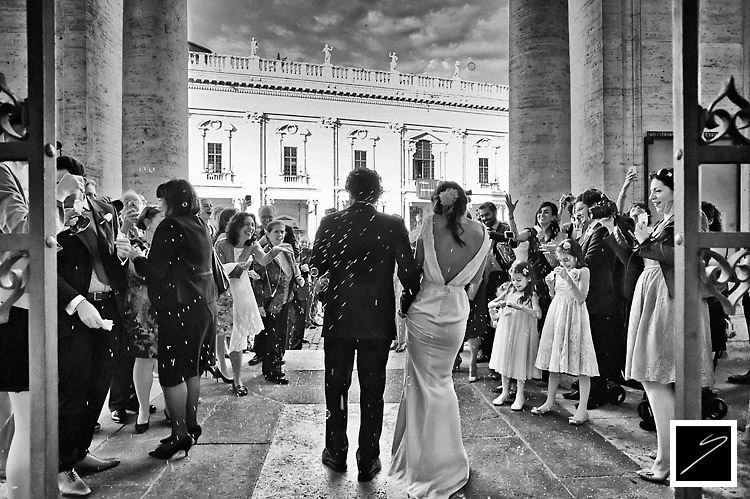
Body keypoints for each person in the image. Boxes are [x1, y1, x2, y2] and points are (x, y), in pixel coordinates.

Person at [601, 168, 714, 484]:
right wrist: (615, 231)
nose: (652, 196)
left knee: (659, 379)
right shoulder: (665, 222)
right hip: (655, 295)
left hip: (670, 300)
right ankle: (671, 455)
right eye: (651, 190)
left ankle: (670, 462)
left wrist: (643, 239)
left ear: (676, 190)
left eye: (658, 190)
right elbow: (636, 259)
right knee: (658, 380)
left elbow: (682, 256)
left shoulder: (692, 217)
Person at [311, 168, 417, 482]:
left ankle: (336, 452)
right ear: (379, 193)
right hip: (376, 318)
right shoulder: (393, 224)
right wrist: (406, 300)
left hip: (340, 318)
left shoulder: (331, 222)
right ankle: (368, 458)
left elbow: (317, 264)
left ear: (348, 192)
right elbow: (408, 273)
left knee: (336, 387)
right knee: (373, 390)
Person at [389, 181, 487, 496]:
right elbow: (475, 281)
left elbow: (414, 270)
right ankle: (449, 461)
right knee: (443, 384)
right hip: (456, 311)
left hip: (424, 310)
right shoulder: (482, 233)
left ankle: (422, 462)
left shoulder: (430, 224)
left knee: (419, 385)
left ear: (437, 202)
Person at [56, 155, 131, 496]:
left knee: (99, 384)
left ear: (81, 182)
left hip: (109, 305)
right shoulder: (48, 212)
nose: (59, 191)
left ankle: (80, 452)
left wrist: (124, 255)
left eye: (64, 183)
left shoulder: (101, 208)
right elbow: (43, 265)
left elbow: (107, 254)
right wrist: (75, 300)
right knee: (73, 389)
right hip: (73, 311)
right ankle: (61, 466)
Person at [130, 179, 217, 460]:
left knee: (171, 372)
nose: (159, 206)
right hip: (202, 306)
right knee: (190, 368)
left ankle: (179, 434)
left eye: (161, 200)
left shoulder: (171, 225)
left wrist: (135, 258)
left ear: (172, 200)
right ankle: (191, 425)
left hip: (178, 309)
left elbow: (155, 270)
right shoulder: (200, 223)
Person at [532, 238, 599, 426]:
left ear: (577, 256)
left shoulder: (584, 271)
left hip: (575, 316)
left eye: (567, 259)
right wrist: (551, 286)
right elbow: (556, 296)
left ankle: (582, 409)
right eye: (561, 260)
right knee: (554, 361)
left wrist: (568, 278)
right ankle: (549, 401)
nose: (564, 264)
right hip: (558, 314)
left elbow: (580, 298)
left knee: (581, 363)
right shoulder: (560, 271)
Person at [567, 189, 623, 407]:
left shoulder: (600, 230)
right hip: (590, 296)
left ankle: (597, 393)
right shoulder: (587, 231)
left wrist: (569, 258)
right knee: (587, 345)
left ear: (591, 210)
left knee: (598, 346)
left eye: (581, 209)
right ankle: (585, 390)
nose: (577, 214)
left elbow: (590, 260)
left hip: (600, 296)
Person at [213, 212, 271, 395]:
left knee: (238, 337)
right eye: (247, 224)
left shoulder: (252, 245)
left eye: (253, 225)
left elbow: (263, 259)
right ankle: (221, 365)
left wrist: (275, 249)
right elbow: (218, 271)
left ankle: (237, 380)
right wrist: (239, 267)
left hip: (242, 293)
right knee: (222, 333)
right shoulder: (221, 244)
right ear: (236, 226)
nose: (251, 228)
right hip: (223, 295)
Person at [122, 206, 163, 434]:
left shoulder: (167, 243)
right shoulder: (135, 242)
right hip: (142, 309)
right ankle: (143, 409)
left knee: (166, 360)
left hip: (164, 306)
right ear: (147, 221)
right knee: (144, 359)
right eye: (161, 218)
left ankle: (170, 407)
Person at [488, 261, 542, 411]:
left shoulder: (532, 295)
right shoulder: (509, 292)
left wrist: (521, 307)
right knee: (506, 358)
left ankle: (519, 394)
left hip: (521, 331)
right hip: (507, 329)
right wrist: (499, 305)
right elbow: (491, 304)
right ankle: (505, 391)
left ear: (528, 279)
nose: (515, 283)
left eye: (519, 280)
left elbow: (538, 314)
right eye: (513, 279)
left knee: (519, 360)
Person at [251, 219, 299, 384]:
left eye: (282, 231)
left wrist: (299, 278)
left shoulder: (287, 249)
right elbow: (257, 281)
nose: (280, 235)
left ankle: (278, 363)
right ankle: (271, 370)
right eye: (276, 232)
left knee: (282, 334)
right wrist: (259, 304)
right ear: (268, 234)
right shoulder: (263, 254)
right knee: (270, 337)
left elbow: (293, 266)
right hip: (269, 301)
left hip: (286, 298)